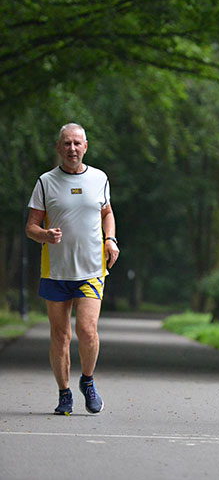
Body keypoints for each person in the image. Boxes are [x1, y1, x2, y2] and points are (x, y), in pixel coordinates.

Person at [25, 123, 119, 415]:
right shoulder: (45, 182)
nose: (72, 149)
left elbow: (107, 212)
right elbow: (31, 227)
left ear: (86, 146)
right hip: (55, 270)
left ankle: (87, 382)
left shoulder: (99, 178)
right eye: (67, 143)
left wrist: (110, 239)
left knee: (87, 330)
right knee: (60, 335)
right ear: (59, 147)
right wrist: (44, 235)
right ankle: (64, 393)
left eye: (77, 143)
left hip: (91, 268)